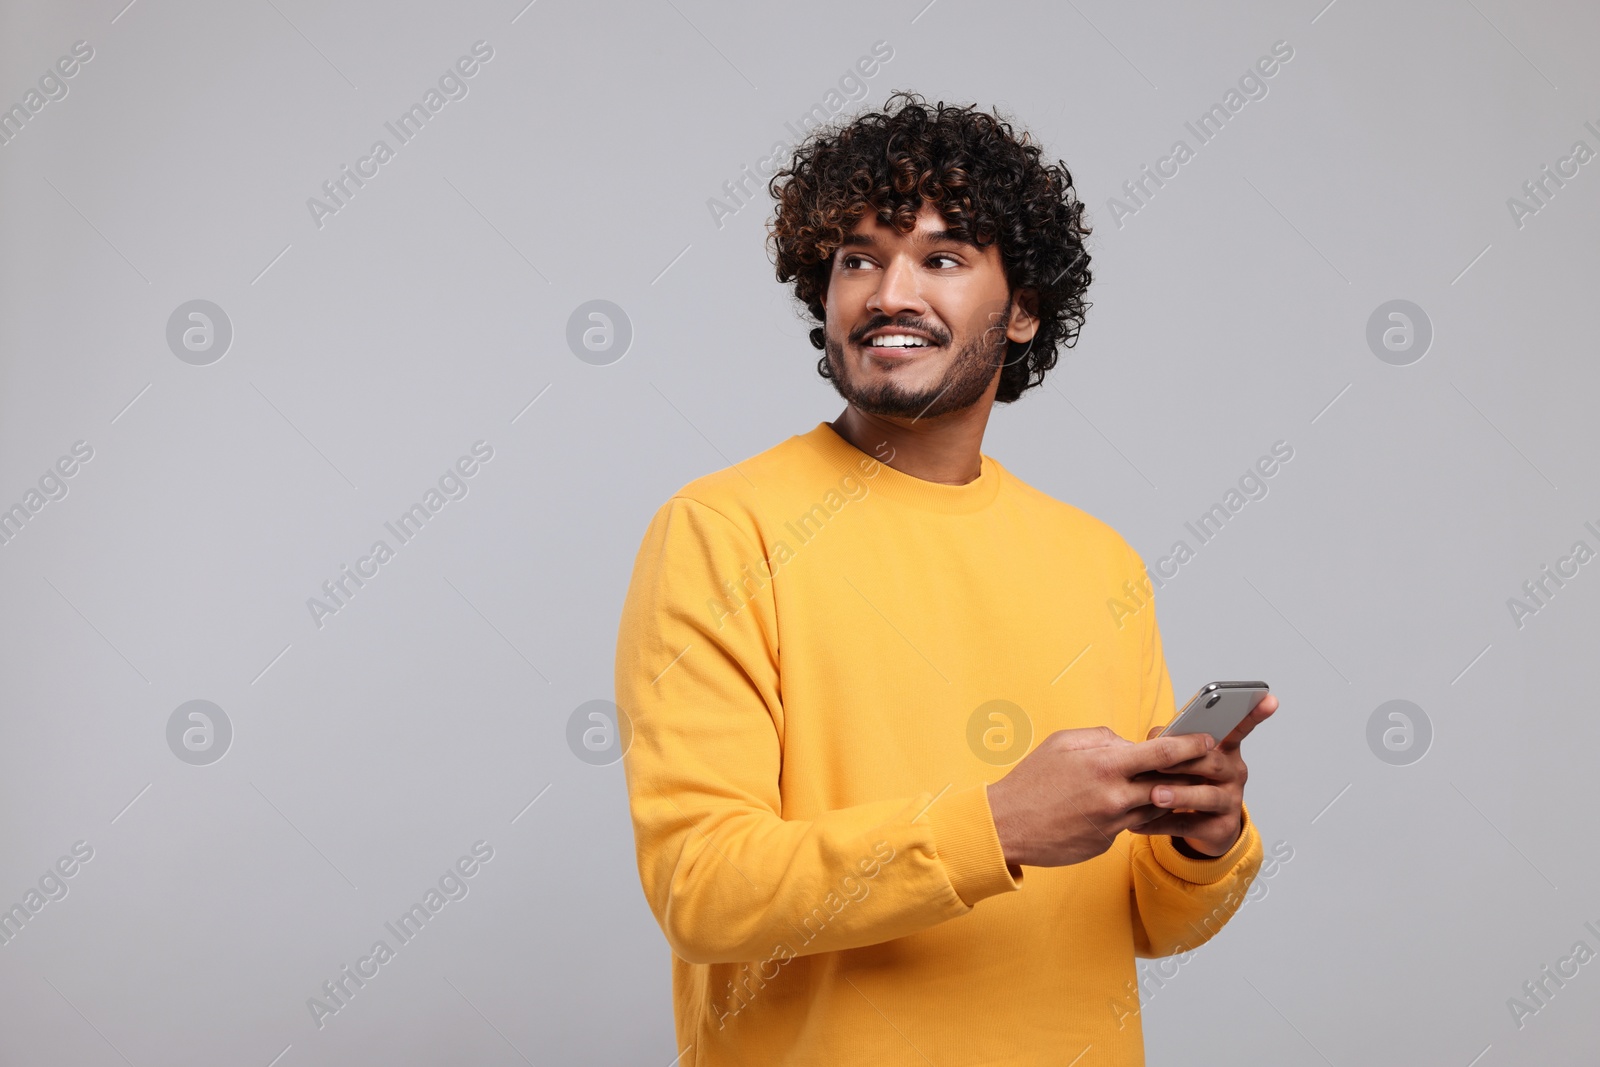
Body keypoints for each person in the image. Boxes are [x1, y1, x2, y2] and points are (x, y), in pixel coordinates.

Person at [613, 91, 1278, 1066]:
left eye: (942, 257)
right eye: (857, 257)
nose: (889, 291)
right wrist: (997, 823)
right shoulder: (723, 530)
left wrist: (1204, 839)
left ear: (1023, 311)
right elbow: (702, 890)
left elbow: (1147, 920)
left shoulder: (1099, 561)